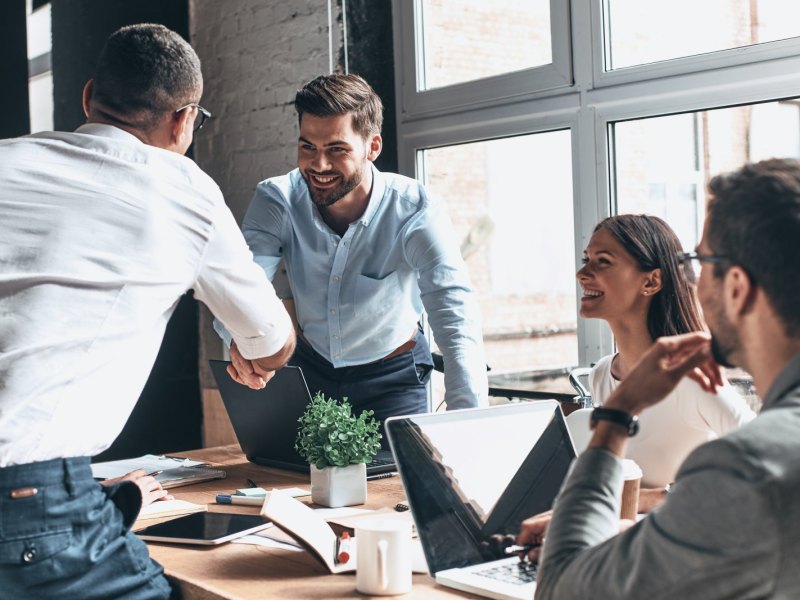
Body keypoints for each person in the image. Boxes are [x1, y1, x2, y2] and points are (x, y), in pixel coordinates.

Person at [0, 24, 295, 598]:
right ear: (184, 120)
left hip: (49, 494)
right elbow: (271, 342)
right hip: (30, 503)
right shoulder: (183, 189)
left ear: (89, 98)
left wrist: (104, 498)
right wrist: (249, 348)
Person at [519, 158, 800, 598]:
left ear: (738, 288)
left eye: (699, 261)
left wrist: (616, 416)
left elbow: (561, 588)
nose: (691, 281)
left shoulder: (748, 465)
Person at [217, 73, 488, 433]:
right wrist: (239, 338)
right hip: (309, 370)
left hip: (392, 378)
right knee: (291, 482)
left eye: (336, 149)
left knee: (395, 485)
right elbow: (240, 284)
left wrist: (468, 425)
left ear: (372, 147)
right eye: (307, 147)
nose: (319, 165)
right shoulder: (277, 199)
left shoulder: (415, 210)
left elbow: (455, 315)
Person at [576, 214, 754, 509]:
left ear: (651, 281)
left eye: (603, 261)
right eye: (587, 259)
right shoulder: (602, 374)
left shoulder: (691, 380)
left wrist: (651, 498)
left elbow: (769, 466)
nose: (583, 273)